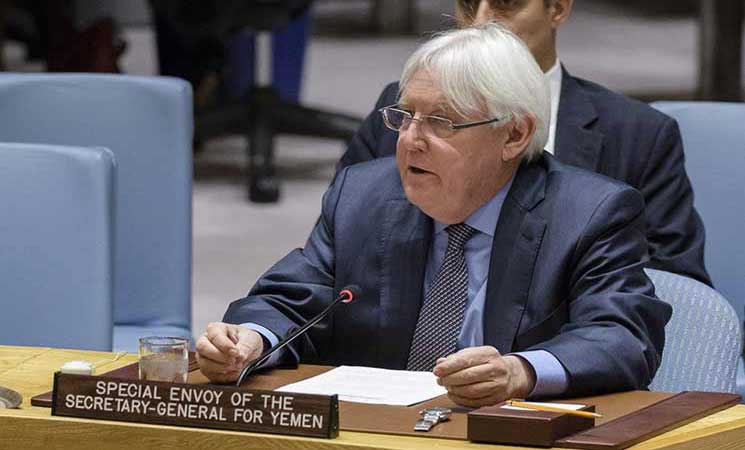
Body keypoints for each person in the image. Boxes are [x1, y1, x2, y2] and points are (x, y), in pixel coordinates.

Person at [197, 23, 671, 407]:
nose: (410, 140)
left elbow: (622, 336)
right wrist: (251, 340)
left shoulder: (590, 214)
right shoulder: (363, 195)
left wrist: (521, 371)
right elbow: (292, 300)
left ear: (514, 135)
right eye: (405, 116)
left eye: (441, 122)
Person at [338, 0, 711, 286]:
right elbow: (340, 247)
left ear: (558, 8)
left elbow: (678, 287)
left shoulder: (638, 135)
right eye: (468, 4)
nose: (481, 21)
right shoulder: (403, 111)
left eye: (506, 3)